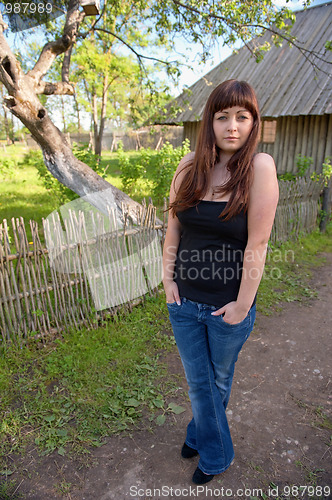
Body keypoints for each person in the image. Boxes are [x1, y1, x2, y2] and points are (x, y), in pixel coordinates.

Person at [162, 79, 279, 485]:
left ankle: (200, 435)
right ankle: (216, 453)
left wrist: (243, 304)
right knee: (202, 383)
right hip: (184, 302)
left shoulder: (259, 167)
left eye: (242, 117)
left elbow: (258, 242)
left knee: (215, 382)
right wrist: (167, 282)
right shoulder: (188, 166)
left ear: (253, 122)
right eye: (223, 116)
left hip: (227, 305)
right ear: (210, 121)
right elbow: (173, 231)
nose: (232, 126)